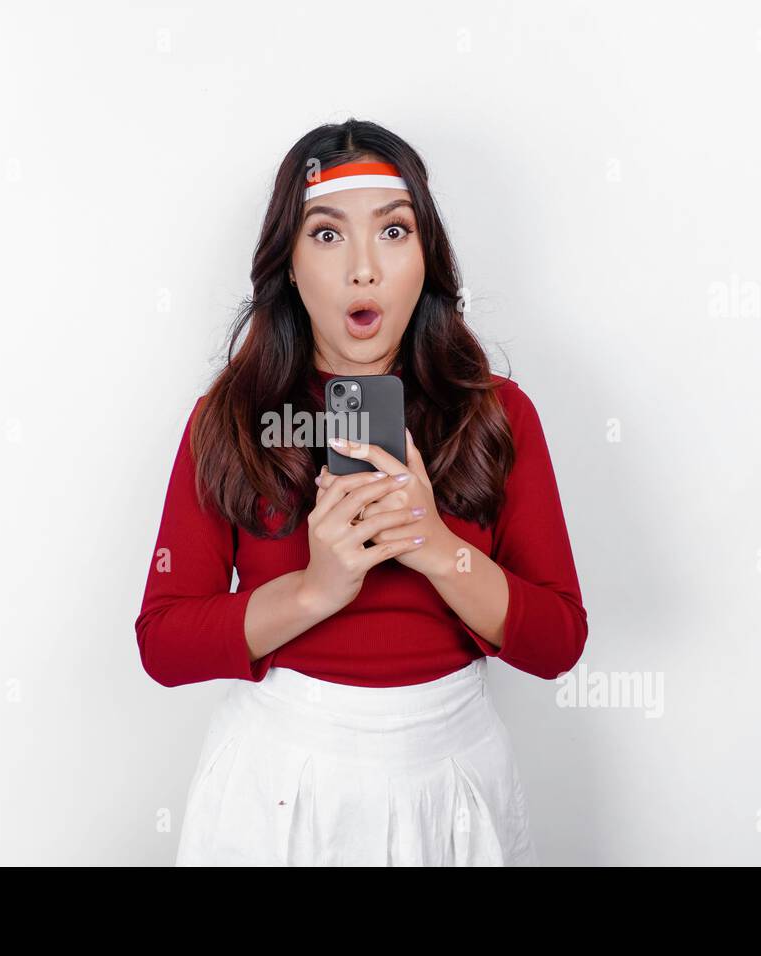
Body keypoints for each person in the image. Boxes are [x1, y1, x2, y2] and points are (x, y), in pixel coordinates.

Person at [135, 118, 588, 866]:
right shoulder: (234, 419)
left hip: (454, 783)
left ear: (426, 257)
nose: (364, 270)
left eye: (394, 231)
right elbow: (163, 642)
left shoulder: (498, 414)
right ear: (287, 264)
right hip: (277, 785)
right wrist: (317, 589)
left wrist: (438, 549)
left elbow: (558, 641)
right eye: (326, 235)